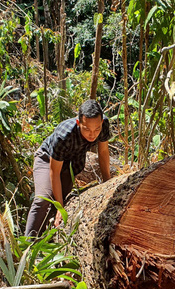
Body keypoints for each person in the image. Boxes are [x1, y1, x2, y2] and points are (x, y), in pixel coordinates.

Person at [24, 99, 111, 237]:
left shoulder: (104, 124)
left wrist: (108, 182)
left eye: (97, 129)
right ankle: (27, 247)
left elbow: (103, 152)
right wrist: (60, 207)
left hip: (70, 165)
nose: (92, 134)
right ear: (78, 123)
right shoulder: (64, 135)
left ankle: (46, 240)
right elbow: (54, 172)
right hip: (47, 161)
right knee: (43, 199)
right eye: (87, 129)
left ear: (101, 122)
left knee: (63, 202)